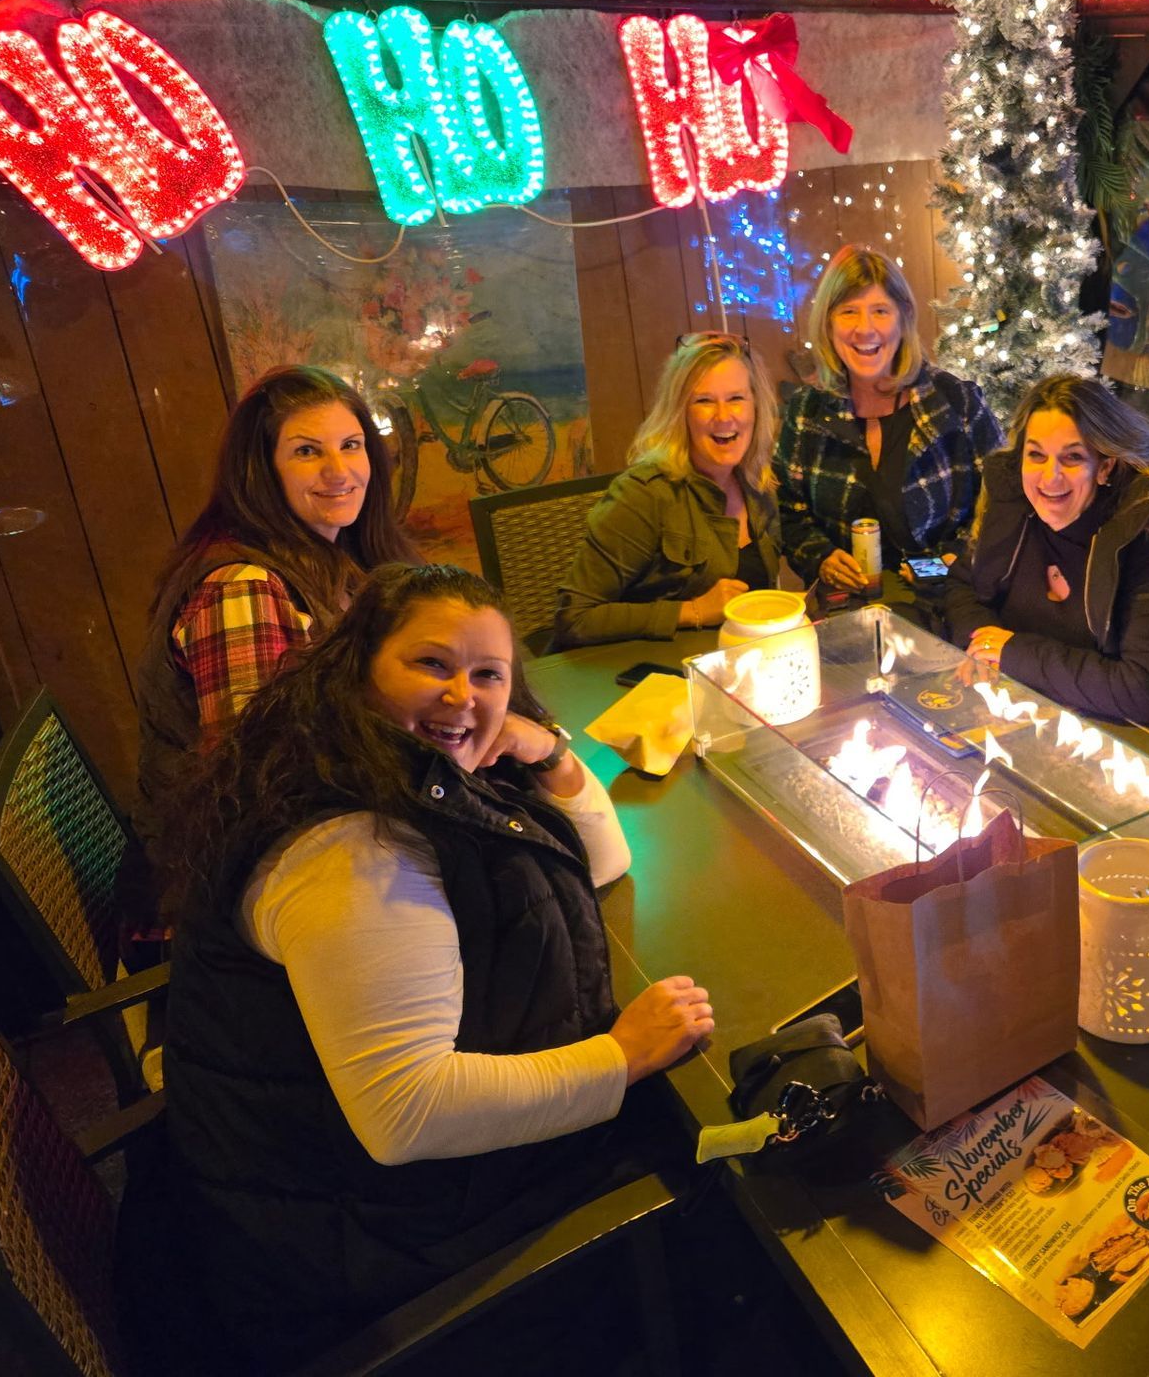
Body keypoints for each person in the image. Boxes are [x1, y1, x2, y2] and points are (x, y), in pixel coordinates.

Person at [157, 564, 715, 1368]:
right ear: (358, 666)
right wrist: (620, 1058)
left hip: (342, 1199)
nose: (465, 697)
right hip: (370, 1251)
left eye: (489, 675)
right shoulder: (355, 851)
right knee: (705, 1158)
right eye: (432, 665)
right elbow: (406, 1115)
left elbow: (604, 858)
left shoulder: (378, 767)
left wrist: (543, 747)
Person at [132, 365, 418, 918]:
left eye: (351, 445)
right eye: (308, 452)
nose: (340, 471)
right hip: (231, 891)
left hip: (312, 830)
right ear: (263, 471)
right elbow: (259, 784)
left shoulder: (334, 555)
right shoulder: (244, 588)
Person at [943, 375, 1149, 727]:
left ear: (1104, 467)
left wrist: (1012, 654)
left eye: (1072, 458)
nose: (1049, 478)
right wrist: (985, 646)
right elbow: (962, 585)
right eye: (1036, 455)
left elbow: (1144, 692)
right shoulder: (1013, 503)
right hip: (1038, 714)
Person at [775, 245, 1003, 592]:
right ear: (828, 323)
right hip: (847, 608)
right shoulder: (807, 411)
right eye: (848, 312)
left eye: (880, 311)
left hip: (950, 606)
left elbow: (1000, 505)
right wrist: (820, 556)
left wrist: (938, 568)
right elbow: (788, 513)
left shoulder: (958, 402)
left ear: (904, 316)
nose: (865, 329)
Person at [551, 332, 782, 648]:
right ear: (680, 412)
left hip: (732, 666)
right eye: (704, 401)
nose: (724, 416)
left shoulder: (758, 481)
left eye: (736, 398)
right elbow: (573, 618)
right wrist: (693, 610)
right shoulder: (643, 495)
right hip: (648, 680)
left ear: (756, 406)